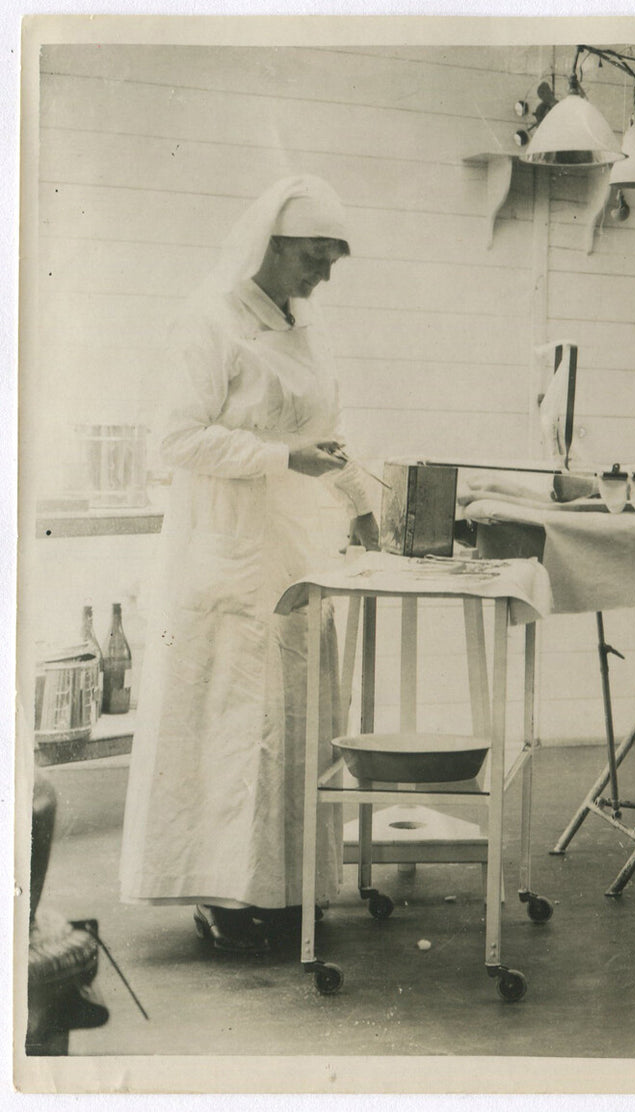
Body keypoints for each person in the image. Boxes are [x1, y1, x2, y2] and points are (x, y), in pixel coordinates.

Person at [119, 176, 378, 954]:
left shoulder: (306, 329)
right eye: (314, 256)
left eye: (332, 260)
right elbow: (176, 439)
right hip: (227, 547)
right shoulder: (211, 321)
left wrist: (361, 506)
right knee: (233, 724)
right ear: (272, 245)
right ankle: (224, 893)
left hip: (296, 545)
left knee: (292, 719)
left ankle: (288, 885)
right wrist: (280, 455)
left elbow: (327, 434)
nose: (324, 274)